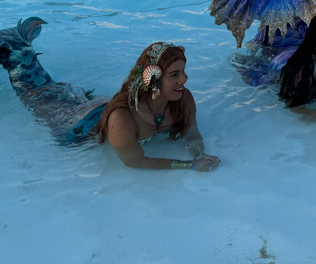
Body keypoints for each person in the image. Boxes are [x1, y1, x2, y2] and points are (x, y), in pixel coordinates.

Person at [93, 42, 221, 171]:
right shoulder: (121, 118)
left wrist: (200, 156)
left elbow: (192, 135)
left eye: (183, 71)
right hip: (85, 127)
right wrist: (189, 166)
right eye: (174, 75)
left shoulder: (184, 99)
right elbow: (133, 161)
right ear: (153, 81)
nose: (183, 79)